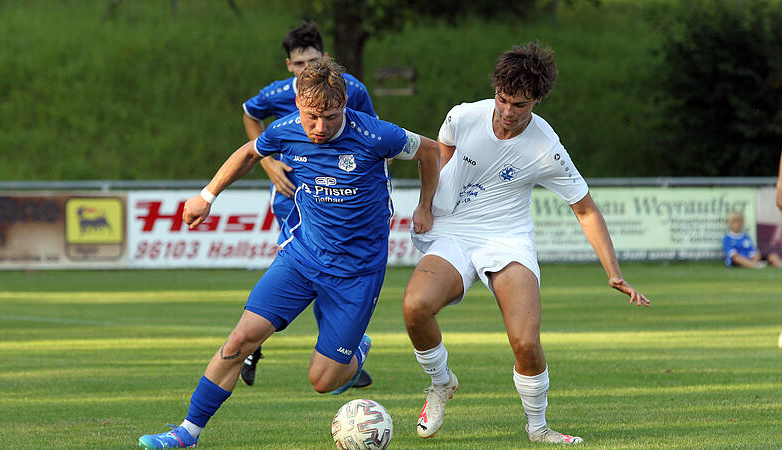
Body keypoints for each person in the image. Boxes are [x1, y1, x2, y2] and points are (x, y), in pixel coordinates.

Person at [137, 57, 440, 449]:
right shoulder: (285, 130)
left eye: (330, 117)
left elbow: (430, 151)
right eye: (312, 116)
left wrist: (425, 205)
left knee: (323, 381)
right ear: (298, 103)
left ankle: (355, 351)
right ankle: (186, 434)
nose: (320, 127)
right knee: (240, 340)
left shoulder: (376, 134)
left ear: (345, 105)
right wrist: (207, 195)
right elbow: (249, 152)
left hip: (357, 274)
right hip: (301, 258)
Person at [401, 42, 650, 445]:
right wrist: (427, 205)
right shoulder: (462, 116)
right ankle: (442, 382)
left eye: (519, 104)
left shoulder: (546, 148)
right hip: (453, 233)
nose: (507, 111)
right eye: (502, 99)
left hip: (507, 238)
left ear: (537, 99)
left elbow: (585, 210)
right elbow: (438, 155)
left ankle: (538, 428)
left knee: (526, 341)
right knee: (415, 307)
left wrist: (614, 273)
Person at [240, 21, 377, 388]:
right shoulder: (280, 94)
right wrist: (269, 163)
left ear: (325, 58)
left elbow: (375, 136)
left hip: (338, 198)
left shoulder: (351, 91)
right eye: (299, 65)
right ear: (288, 66)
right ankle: (255, 345)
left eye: (312, 61)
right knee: (304, 268)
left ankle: (339, 350)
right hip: (291, 196)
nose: (306, 71)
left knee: (325, 272)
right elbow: (250, 114)